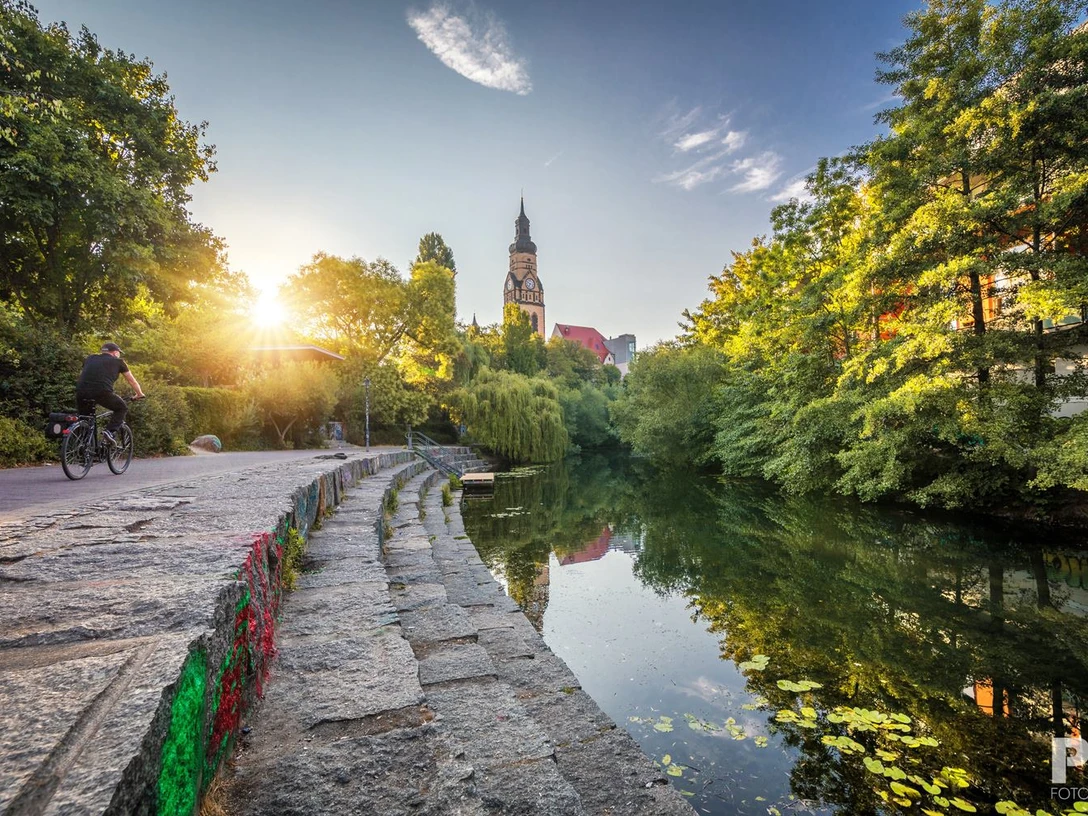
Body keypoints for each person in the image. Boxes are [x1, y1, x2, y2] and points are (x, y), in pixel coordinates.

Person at [75, 342, 145, 444]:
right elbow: (132, 381)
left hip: (81, 392)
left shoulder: (90, 358)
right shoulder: (119, 362)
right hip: (102, 392)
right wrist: (139, 394)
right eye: (119, 353)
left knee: (86, 420)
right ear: (116, 353)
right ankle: (110, 432)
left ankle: (85, 448)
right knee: (122, 408)